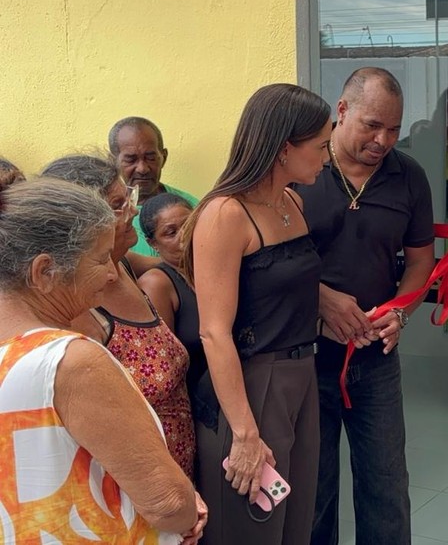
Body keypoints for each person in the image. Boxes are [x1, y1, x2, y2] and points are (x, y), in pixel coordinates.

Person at [0, 177, 205, 544]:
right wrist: (188, 508)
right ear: (44, 271)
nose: (112, 273)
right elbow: (167, 503)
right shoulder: (70, 362)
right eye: (99, 259)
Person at [183, 83, 330, 544]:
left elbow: (287, 285)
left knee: (295, 521)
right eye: (320, 146)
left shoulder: (291, 202)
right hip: (253, 383)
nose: (327, 158)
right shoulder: (225, 215)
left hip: (302, 375)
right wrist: (245, 432)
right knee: (252, 527)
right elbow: (214, 332)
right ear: (285, 148)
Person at [295, 67, 435, 545]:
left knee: (386, 486)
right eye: (372, 126)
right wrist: (320, 299)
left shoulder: (408, 176)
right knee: (314, 489)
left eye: (394, 129)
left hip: (375, 357)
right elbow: (266, 259)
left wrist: (401, 311)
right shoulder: (303, 168)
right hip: (304, 356)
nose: (383, 141)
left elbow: (421, 262)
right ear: (342, 110)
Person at [41, 153, 197, 480]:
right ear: (81, 224)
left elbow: (181, 265)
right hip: (138, 485)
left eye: (129, 197)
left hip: (180, 467)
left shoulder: (123, 264)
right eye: (118, 205)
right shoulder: (76, 309)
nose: (134, 211)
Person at [137, 193, 206, 414]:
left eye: (189, 224)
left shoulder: (213, 268)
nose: (184, 235)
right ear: (153, 243)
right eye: (171, 232)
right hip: (198, 406)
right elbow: (166, 361)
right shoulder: (157, 284)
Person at [109, 116, 200, 256]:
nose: (142, 168)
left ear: (164, 157)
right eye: (131, 160)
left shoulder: (193, 209)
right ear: (113, 161)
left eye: (151, 158)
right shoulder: (104, 216)